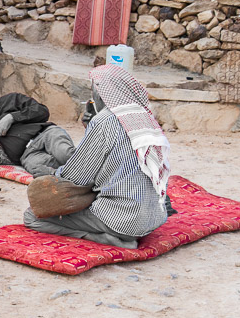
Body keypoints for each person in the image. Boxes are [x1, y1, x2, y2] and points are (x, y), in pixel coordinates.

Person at [23, 65, 170, 248]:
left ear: (101, 95)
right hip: (154, 217)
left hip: (122, 219)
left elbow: (76, 177)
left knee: (32, 217)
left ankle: (102, 238)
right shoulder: (144, 117)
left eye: (93, 94)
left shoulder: (104, 120)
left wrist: (50, 174)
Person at [0, 78, 75, 176]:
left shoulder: (12, 99)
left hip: (46, 135)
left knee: (65, 155)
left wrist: (12, 117)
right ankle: (76, 174)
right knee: (39, 169)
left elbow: (43, 111)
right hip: (27, 155)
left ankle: (83, 169)